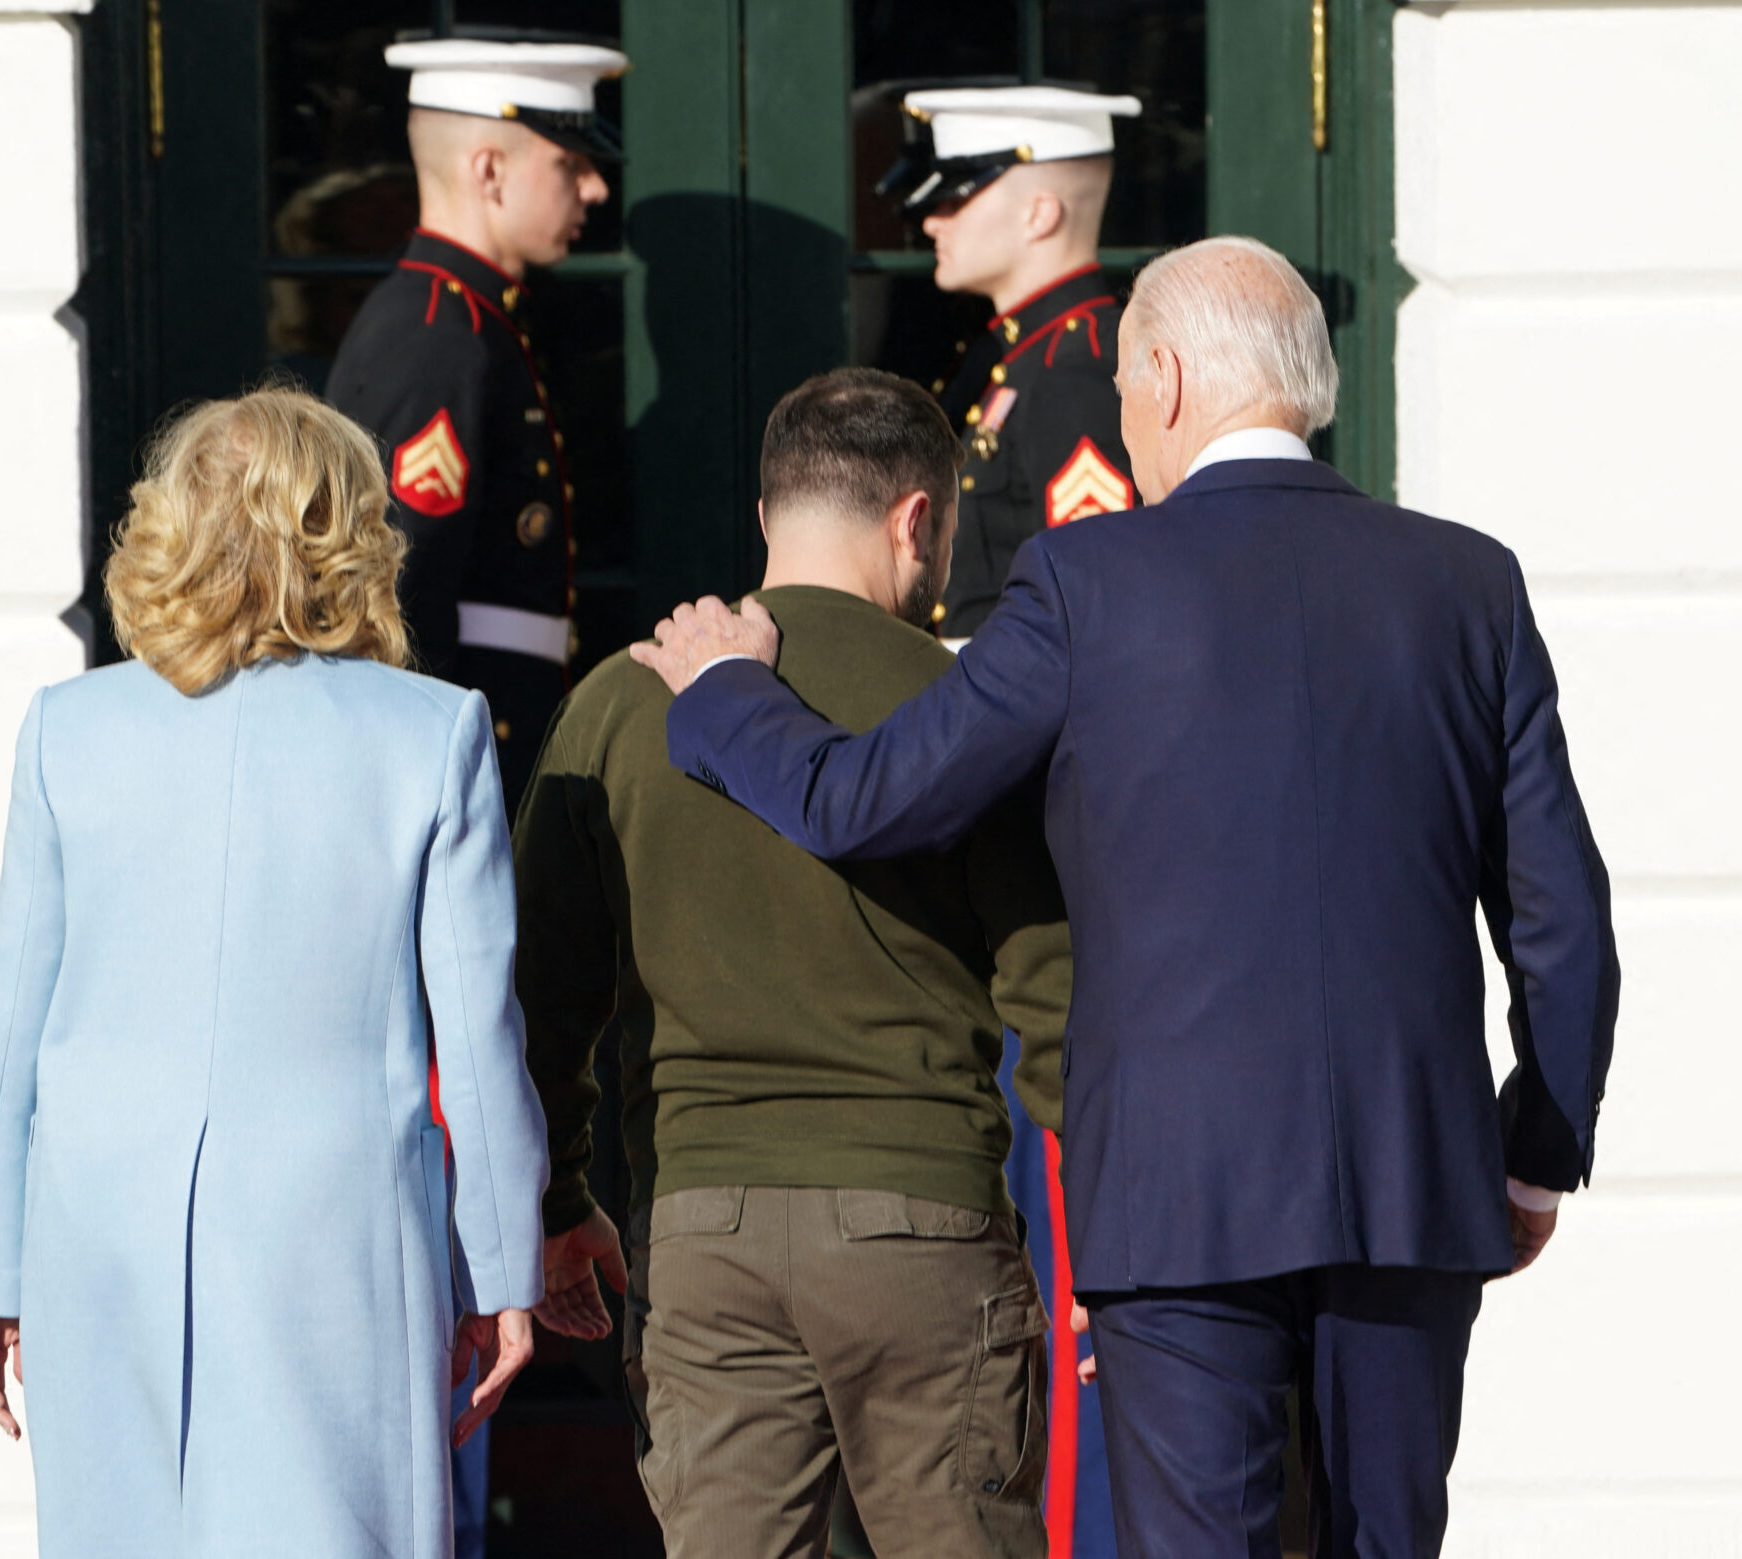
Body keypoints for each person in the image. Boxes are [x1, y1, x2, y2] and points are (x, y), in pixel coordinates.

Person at [632, 237, 1621, 1559]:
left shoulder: (1084, 582)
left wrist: (729, 692)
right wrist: (1535, 1152)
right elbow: (1564, 920)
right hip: (1410, 1181)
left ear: (1158, 374)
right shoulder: (1468, 583)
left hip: (1176, 1192)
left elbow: (868, 801)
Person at [0, 387, 549, 1559]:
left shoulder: (67, 729)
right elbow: (478, 1039)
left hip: (95, 1222)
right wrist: (500, 1259)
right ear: (352, 538)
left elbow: (11, 1020)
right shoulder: (432, 731)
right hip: (336, 1222)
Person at [516, 368, 1074, 1558]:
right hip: (923, 1222)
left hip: (700, 1225)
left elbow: (541, 1000)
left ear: (769, 517)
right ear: (918, 518)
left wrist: (562, 1197)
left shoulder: (620, 703)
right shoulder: (962, 706)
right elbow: (1056, 998)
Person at [879, 83, 1143, 1556]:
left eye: (958, 184)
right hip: (1028, 887)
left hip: (1062, 895)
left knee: (1074, 1296)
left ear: (1042, 199)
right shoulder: (1026, 373)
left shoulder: (1075, 379)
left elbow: (1080, 663)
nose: (927, 211)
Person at [326, 36, 624, 811]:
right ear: (488, 169)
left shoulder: (473, 320)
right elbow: (397, 588)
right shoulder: (436, 334)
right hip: (459, 761)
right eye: (568, 163)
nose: (594, 188)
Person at [880, 84, 1142, 647]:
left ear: (1039, 214)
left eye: (958, 199)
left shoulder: (1077, 371)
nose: (932, 223)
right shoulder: (1007, 355)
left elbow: (1091, 610)